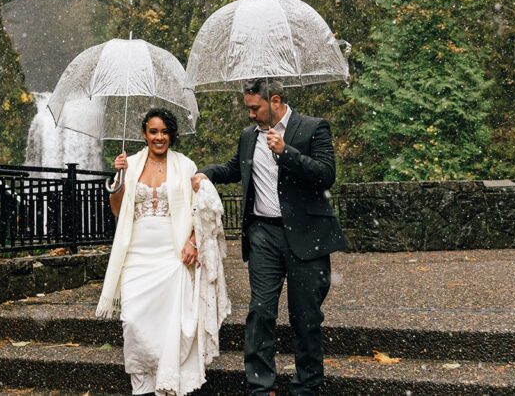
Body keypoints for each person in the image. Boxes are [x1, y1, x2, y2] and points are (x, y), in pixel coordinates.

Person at [191, 79, 347, 396]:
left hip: (307, 236)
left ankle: (306, 387)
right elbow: (235, 168)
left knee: (305, 317)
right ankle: (260, 387)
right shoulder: (249, 136)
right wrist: (208, 172)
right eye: (248, 108)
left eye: (255, 108)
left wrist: (286, 152)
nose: (250, 115)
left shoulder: (313, 127)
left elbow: (325, 174)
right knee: (260, 312)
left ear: (275, 100)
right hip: (263, 234)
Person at [96, 108, 225, 396]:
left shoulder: (186, 165)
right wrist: (119, 177)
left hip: (172, 253)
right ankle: (143, 383)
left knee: (169, 322)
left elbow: (199, 209)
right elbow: (117, 210)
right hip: (136, 253)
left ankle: (167, 379)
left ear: (171, 135)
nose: (159, 137)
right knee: (133, 320)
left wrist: (193, 241)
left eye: (164, 132)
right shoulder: (130, 164)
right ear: (144, 134)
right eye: (153, 131)